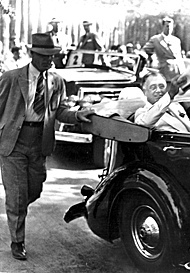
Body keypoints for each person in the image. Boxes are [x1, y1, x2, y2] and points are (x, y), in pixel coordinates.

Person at [0, 33, 94, 261]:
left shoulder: (56, 80)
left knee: (35, 190)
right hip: (14, 143)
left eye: (52, 56)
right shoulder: (12, 78)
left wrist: (78, 115)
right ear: (32, 54)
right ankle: (17, 240)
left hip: (39, 143)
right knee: (17, 196)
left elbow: (60, 111)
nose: (49, 61)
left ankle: (17, 209)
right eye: (44, 56)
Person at [142, 17, 185, 85]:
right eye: (167, 26)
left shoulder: (176, 40)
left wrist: (182, 70)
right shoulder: (156, 39)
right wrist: (150, 59)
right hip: (164, 72)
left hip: (177, 72)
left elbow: (179, 57)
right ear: (163, 26)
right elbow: (144, 51)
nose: (169, 28)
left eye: (171, 26)